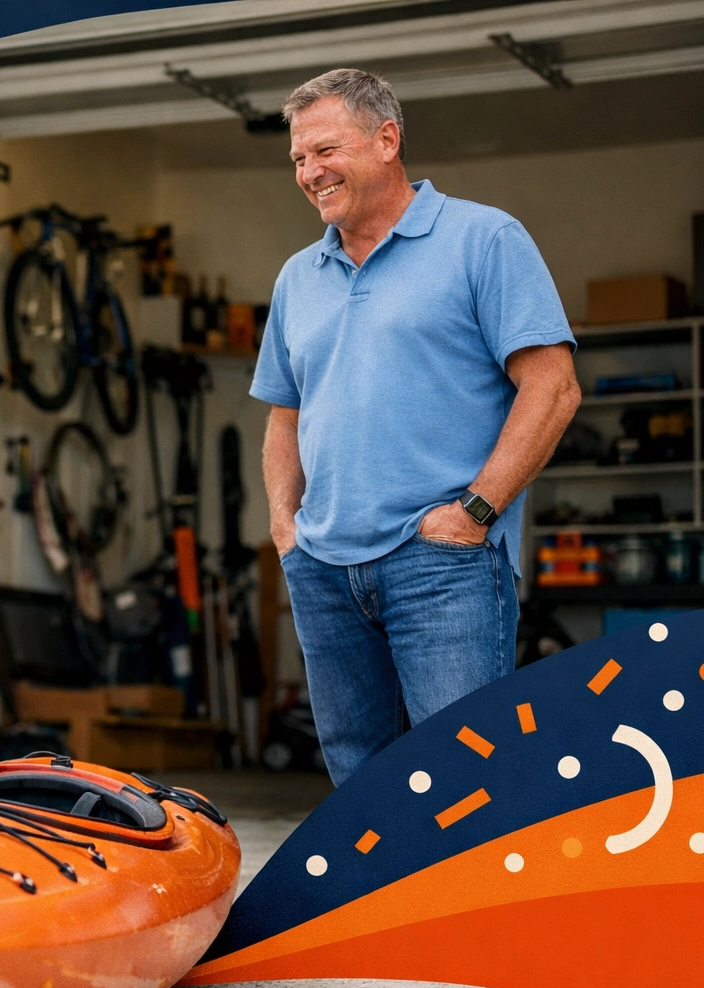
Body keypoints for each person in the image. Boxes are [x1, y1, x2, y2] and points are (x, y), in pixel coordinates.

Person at [253, 69, 580, 785]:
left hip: (442, 564)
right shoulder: (297, 278)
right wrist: (287, 529)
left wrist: (476, 511)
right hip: (324, 569)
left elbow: (552, 387)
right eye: (299, 159)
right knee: (358, 790)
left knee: (467, 781)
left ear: (387, 140)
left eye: (325, 151)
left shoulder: (483, 239)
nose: (310, 173)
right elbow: (286, 413)